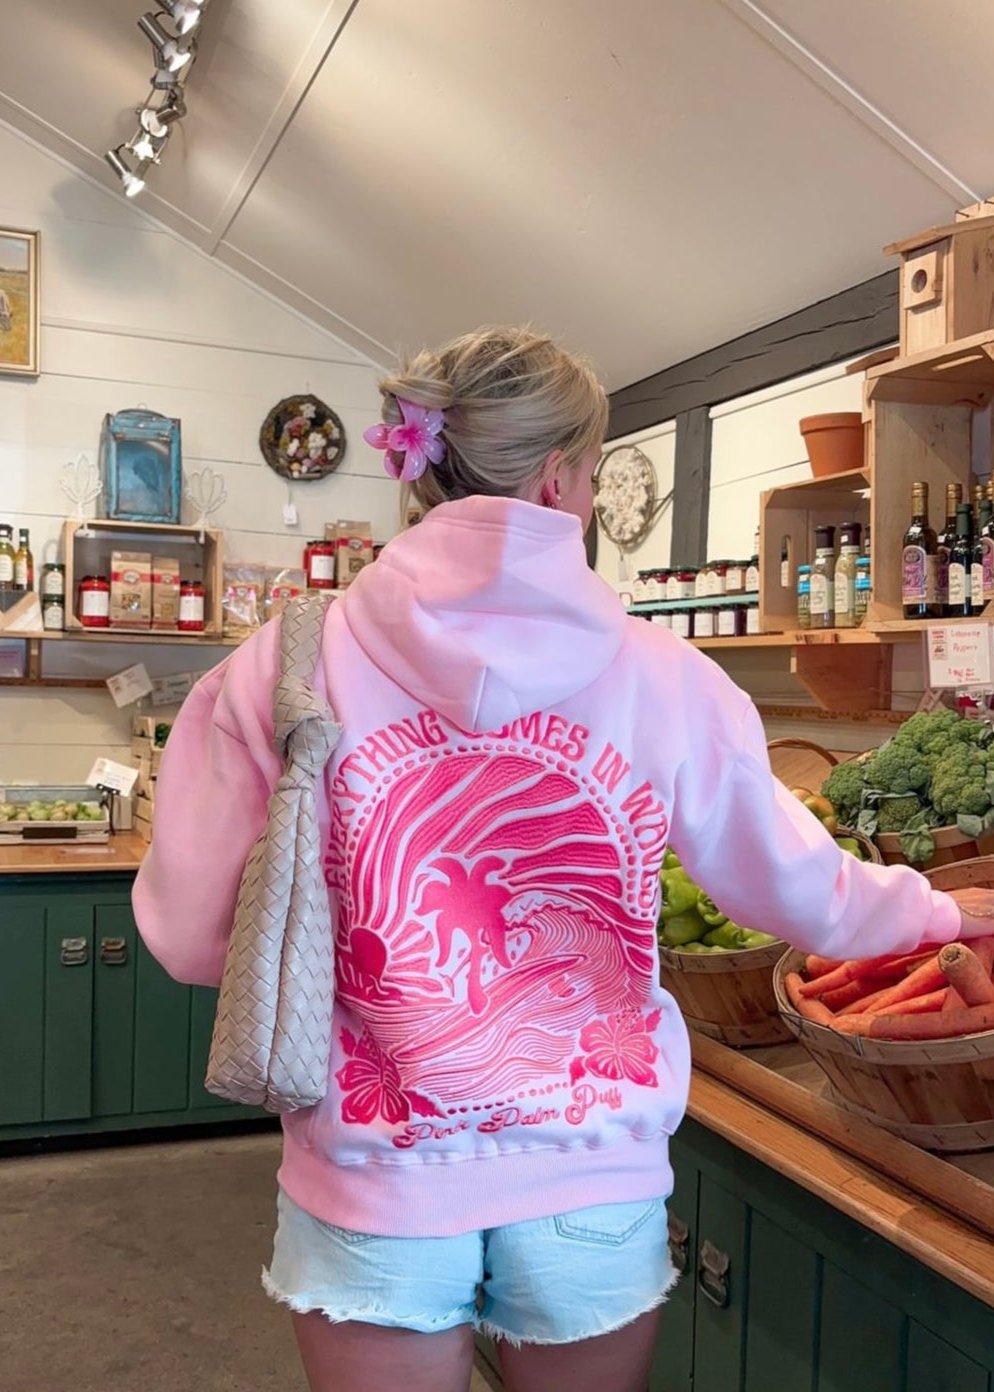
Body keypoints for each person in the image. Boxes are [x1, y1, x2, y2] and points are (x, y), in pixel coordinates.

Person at [133, 327, 994, 1392]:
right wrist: (940, 913)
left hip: (373, 1173)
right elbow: (805, 894)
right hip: (591, 1172)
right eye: (589, 474)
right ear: (557, 479)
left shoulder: (280, 666)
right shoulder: (666, 678)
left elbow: (189, 939)